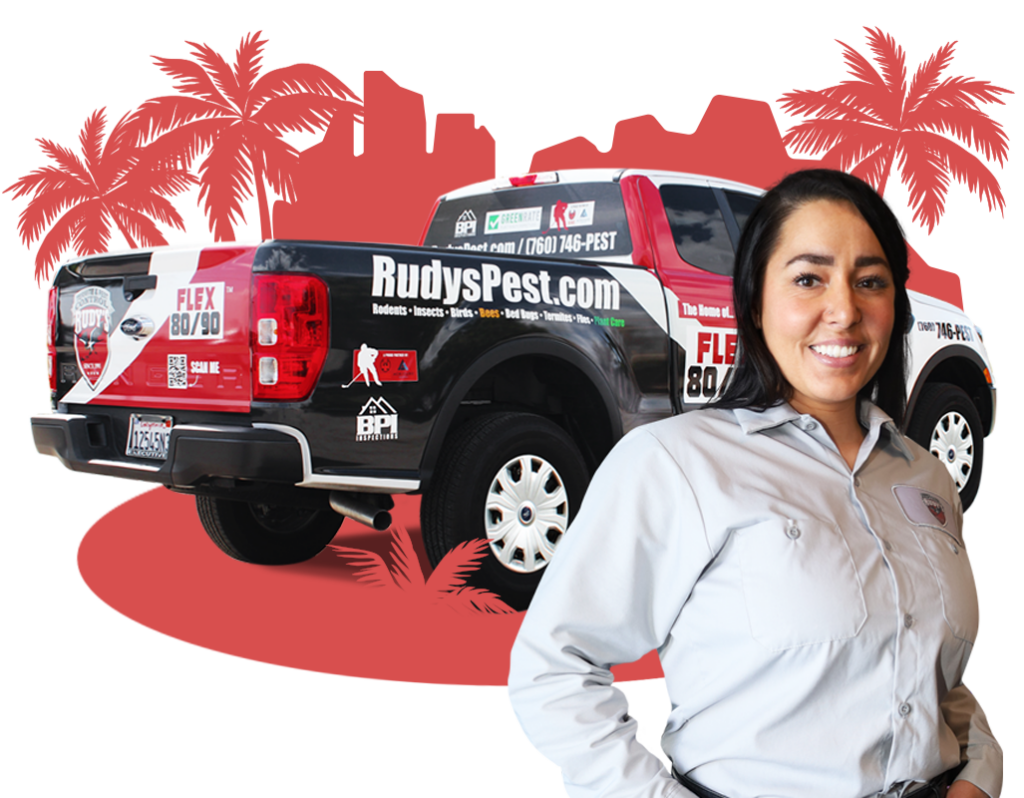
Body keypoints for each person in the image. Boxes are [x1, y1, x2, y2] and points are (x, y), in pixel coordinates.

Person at [507, 169, 1003, 798]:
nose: (845, 310)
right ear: (754, 303)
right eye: (808, 279)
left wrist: (981, 778)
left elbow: (943, 685)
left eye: (870, 281)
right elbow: (551, 670)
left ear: (895, 307)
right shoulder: (676, 463)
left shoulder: (929, 478)